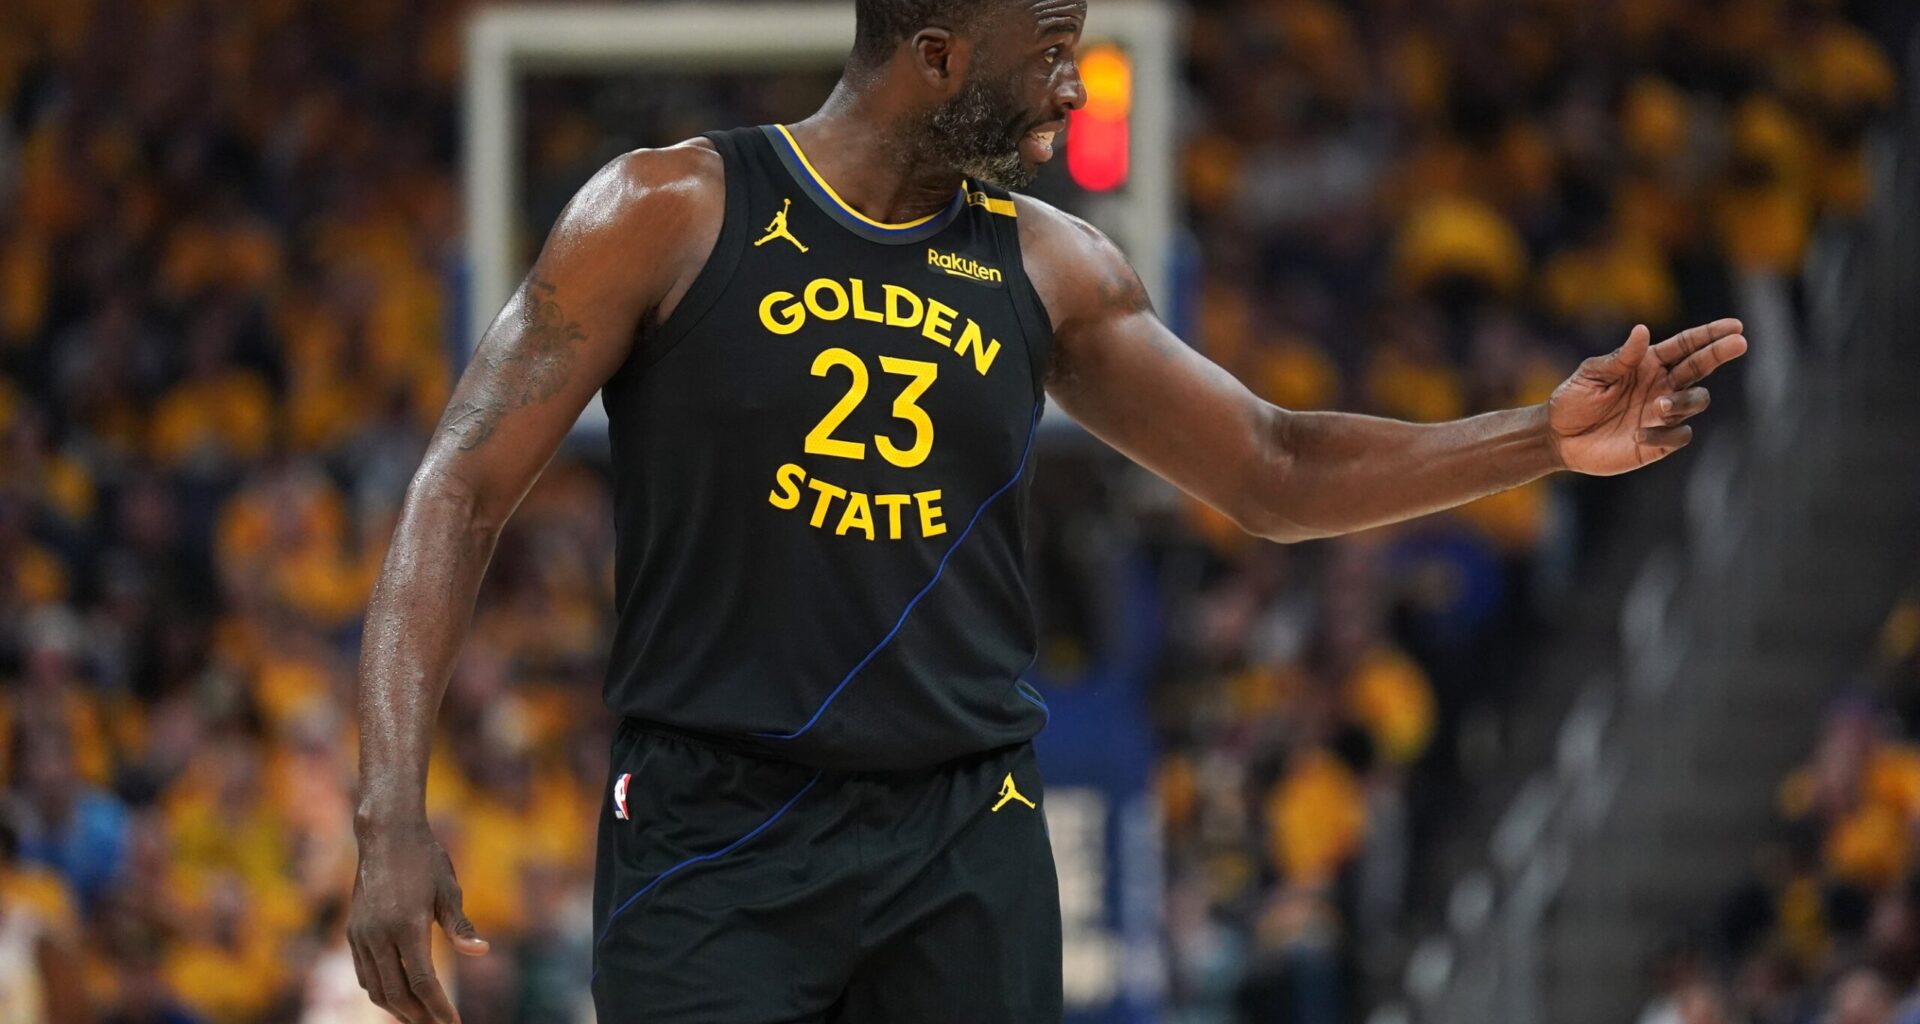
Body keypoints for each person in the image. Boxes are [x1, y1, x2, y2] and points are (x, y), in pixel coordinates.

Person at [348, 1, 1749, 1021]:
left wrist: (1540, 442)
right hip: (716, 830)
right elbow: (457, 487)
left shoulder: (1051, 264)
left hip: (966, 831)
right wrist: (387, 813)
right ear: (939, 54)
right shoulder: (667, 209)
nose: (1072, 92)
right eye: (1051, 46)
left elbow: (1271, 467)